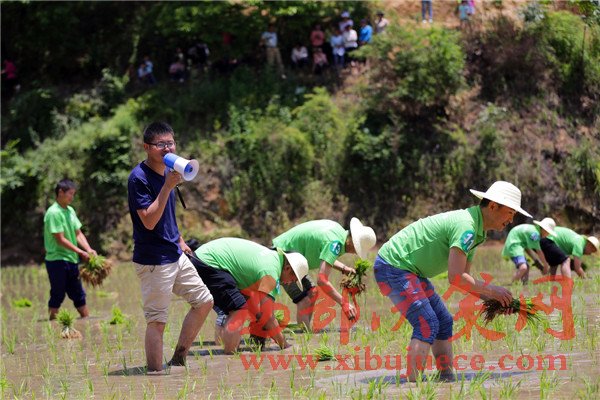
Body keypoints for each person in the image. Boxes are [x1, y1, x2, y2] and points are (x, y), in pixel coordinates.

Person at [374, 181, 530, 381]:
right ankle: (412, 386)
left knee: (443, 321)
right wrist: (493, 290)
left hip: (410, 271)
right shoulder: (467, 227)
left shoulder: (477, 231)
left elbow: (463, 279)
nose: (511, 219)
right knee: (427, 323)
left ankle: (446, 379)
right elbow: (455, 276)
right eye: (510, 212)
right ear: (493, 206)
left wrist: (495, 300)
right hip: (393, 266)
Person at [128, 122, 214, 372]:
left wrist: (179, 239)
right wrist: (167, 186)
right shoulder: (138, 178)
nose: (167, 148)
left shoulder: (170, 170)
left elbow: (167, 216)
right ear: (146, 147)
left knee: (204, 302)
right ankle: (155, 377)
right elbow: (149, 220)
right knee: (157, 322)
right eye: (160, 144)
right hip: (154, 260)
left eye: (170, 143)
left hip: (175, 253)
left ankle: (178, 358)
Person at [190, 238, 308, 353]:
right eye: (293, 279)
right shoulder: (271, 272)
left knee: (239, 306)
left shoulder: (272, 260)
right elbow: (268, 317)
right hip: (209, 262)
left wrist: (259, 319)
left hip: (202, 258)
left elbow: (250, 301)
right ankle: (230, 356)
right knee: (239, 310)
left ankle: (228, 352)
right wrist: (285, 345)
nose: (290, 283)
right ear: (287, 268)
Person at [272, 218, 376, 330]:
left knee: (313, 292)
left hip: (293, 259)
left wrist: (344, 268)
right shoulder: (335, 244)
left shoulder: (338, 232)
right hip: (283, 259)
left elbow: (325, 255)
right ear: (351, 241)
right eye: (357, 249)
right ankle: (304, 335)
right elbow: (322, 280)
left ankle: (305, 331)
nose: (355, 253)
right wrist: (344, 303)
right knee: (304, 300)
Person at [43, 179, 97, 320]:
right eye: (70, 194)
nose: (72, 197)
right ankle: (51, 325)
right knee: (58, 294)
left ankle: (86, 321)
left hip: (71, 259)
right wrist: (80, 252)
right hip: (57, 260)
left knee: (78, 294)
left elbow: (78, 233)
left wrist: (88, 249)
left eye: (73, 194)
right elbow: (60, 239)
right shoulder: (53, 213)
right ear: (61, 192)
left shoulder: (70, 210)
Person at [501, 218, 556, 284]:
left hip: (516, 244)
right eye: (548, 232)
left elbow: (527, 249)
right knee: (523, 267)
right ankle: (513, 284)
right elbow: (539, 252)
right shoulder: (535, 234)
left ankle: (525, 284)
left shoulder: (533, 230)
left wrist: (536, 262)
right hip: (514, 245)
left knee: (526, 267)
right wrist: (546, 266)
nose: (548, 235)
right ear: (544, 229)